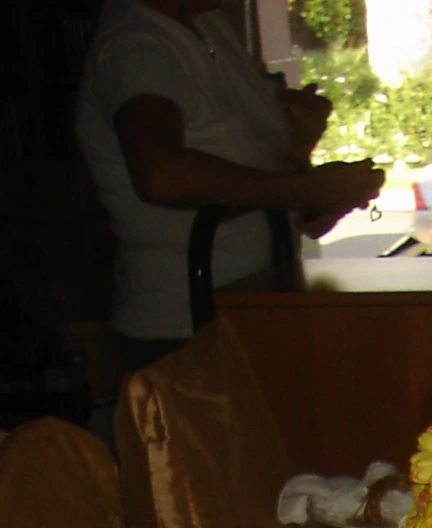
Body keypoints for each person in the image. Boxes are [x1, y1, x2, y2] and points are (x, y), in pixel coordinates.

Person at [76, 0, 385, 366]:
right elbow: (161, 175)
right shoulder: (138, 46)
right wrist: (304, 190)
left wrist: (305, 176)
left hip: (252, 306)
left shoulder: (206, 24)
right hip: (185, 328)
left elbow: (244, 165)